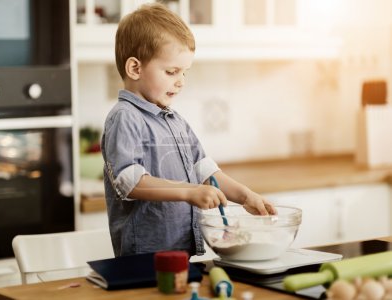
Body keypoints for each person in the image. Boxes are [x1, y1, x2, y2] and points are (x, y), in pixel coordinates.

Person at [101, 3, 276, 257]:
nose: (181, 81)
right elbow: (129, 182)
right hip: (145, 257)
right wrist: (190, 191)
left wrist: (245, 196)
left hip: (180, 252)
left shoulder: (175, 120)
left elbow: (205, 171)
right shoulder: (125, 117)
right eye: (172, 71)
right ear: (135, 69)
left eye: (184, 72)